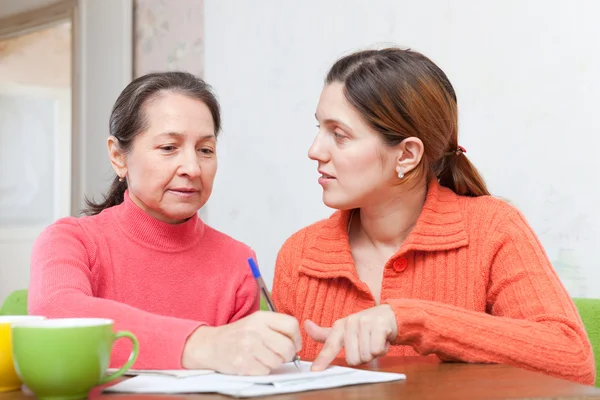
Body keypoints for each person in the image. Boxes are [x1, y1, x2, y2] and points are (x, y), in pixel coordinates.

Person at [271, 47, 595, 385]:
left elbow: (572, 360)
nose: (314, 150)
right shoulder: (300, 254)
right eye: (319, 129)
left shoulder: (493, 229)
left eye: (339, 135)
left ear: (407, 154)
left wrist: (414, 320)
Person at [29, 72, 301, 375]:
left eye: (205, 150)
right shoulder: (71, 240)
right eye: (169, 147)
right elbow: (56, 313)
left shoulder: (238, 260)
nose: (193, 168)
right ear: (119, 157)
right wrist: (201, 344)